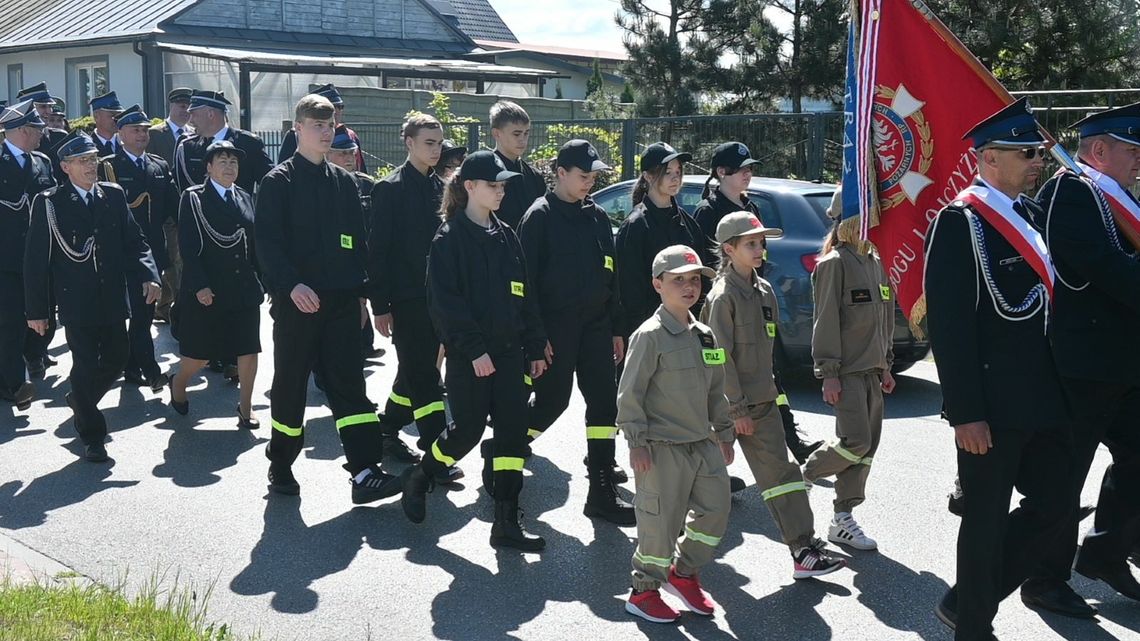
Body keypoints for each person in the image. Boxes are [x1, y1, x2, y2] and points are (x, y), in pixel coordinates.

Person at [924, 98, 1075, 641]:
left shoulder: (1031, 215)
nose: (1038, 160)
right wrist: (966, 413)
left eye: (1036, 151)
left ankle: (968, 599)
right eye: (1025, 152)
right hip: (991, 406)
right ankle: (973, 626)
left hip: (1044, 400)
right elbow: (950, 327)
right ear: (988, 158)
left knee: (1056, 505)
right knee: (985, 521)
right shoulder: (960, 222)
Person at [1018, 102, 1140, 616]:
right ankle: (1043, 579)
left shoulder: (1121, 197)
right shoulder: (1072, 192)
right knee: (1064, 476)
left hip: (1124, 365)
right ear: (1098, 150)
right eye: (1133, 150)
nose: (1139, 161)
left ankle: (1105, 552)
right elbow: (1106, 270)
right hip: (1082, 366)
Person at [400, 150, 549, 553]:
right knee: (465, 431)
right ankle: (421, 475)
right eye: (492, 185)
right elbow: (445, 305)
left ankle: (506, 520)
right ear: (469, 187)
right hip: (473, 358)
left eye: (502, 186)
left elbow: (525, 294)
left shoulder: (506, 234)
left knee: (512, 435)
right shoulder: (448, 240)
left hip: (509, 354)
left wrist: (534, 345)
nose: (500, 192)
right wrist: (473, 350)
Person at [255, 94, 398, 504]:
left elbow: (357, 245)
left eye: (329, 124)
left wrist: (363, 295)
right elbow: (266, 243)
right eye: (316, 125)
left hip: (339, 303)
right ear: (297, 129)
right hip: (297, 304)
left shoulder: (345, 183)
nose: (324, 131)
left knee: (349, 386)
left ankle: (365, 471)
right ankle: (280, 463)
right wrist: (290, 285)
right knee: (290, 386)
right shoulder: (278, 182)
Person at [701, 211, 846, 580]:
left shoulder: (764, 290)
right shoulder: (723, 297)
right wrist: (735, 410)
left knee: (784, 475)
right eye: (751, 243)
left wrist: (774, 398)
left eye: (761, 242)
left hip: (762, 401)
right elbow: (719, 358)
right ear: (729, 249)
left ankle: (804, 548)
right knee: (697, 485)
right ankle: (672, 565)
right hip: (731, 407)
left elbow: (765, 355)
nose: (759, 249)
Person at [515, 139, 634, 525]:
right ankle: (507, 447)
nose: (589, 183)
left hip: (596, 327)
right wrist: (535, 338)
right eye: (583, 176)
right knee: (552, 404)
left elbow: (611, 274)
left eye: (593, 177)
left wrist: (616, 327)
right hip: (555, 329)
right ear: (560, 173)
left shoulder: (596, 216)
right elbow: (525, 284)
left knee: (603, 405)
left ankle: (601, 491)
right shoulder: (539, 217)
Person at [24, 133, 162, 462]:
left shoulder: (112, 196)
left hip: (113, 298)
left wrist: (149, 274)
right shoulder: (50, 202)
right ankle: (93, 435)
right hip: (76, 301)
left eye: (93, 159)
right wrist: (37, 311)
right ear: (65, 167)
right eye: (82, 161)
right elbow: (35, 261)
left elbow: (136, 242)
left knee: (116, 358)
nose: (91, 166)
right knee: (85, 364)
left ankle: (81, 400)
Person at [618, 244, 734, 624]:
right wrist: (636, 442)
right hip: (661, 448)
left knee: (717, 510)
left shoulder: (704, 335)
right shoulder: (649, 336)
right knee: (659, 526)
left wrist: (725, 432)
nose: (689, 287)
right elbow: (630, 393)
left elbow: (716, 389)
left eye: (694, 280)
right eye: (678, 280)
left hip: (702, 444)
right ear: (657, 284)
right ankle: (643, 590)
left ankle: (682, 574)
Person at [693, 141, 822, 464]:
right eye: (742, 169)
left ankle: (791, 440)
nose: (749, 174)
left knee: (769, 373)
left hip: (754, 302)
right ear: (722, 173)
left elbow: (760, 262)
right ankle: (712, 458)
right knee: (723, 380)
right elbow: (703, 267)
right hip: (726, 307)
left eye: (751, 168)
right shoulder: (708, 212)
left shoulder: (751, 208)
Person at [802, 186, 895, 551]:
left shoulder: (874, 261)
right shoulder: (834, 264)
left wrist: (886, 366)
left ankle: (843, 517)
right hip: (848, 372)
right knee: (855, 441)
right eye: (867, 216)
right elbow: (825, 321)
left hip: (873, 371)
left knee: (867, 447)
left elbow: (884, 318)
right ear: (849, 220)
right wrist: (829, 373)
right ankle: (807, 471)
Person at [367, 114, 449, 471]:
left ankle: (386, 429)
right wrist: (380, 305)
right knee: (427, 377)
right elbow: (378, 252)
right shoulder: (390, 188)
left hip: (437, 299)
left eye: (439, 143)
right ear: (409, 143)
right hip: (405, 300)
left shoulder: (441, 187)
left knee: (414, 370)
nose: (436, 149)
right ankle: (437, 453)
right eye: (428, 143)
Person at [169, 141, 263, 428]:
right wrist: (199, 285)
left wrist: (264, 279)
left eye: (233, 162)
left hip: (243, 286)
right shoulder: (194, 197)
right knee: (197, 357)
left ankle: (245, 409)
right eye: (222, 161)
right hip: (209, 289)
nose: (229, 167)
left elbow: (253, 243)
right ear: (208, 168)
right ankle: (178, 383)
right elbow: (188, 244)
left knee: (248, 349)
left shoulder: (245, 196)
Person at [97, 105, 179, 392]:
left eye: (145, 130)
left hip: (151, 253)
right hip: (119, 254)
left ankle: (137, 368)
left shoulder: (158, 166)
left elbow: (172, 207)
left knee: (144, 316)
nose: (142, 134)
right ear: (120, 133)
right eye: (135, 130)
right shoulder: (107, 167)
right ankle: (145, 369)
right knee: (122, 317)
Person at [615, 142, 709, 334]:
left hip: (688, 325)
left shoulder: (689, 224)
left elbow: (702, 278)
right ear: (648, 176)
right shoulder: (636, 225)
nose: (675, 178)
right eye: (667, 172)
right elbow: (629, 289)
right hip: (650, 330)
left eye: (678, 171)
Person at [0, 100, 56, 411]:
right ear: (22, 130)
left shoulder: (43, 162)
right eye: (37, 129)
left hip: (39, 257)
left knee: (43, 314)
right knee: (8, 322)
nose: (42, 134)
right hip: (5, 259)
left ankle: (35, 355)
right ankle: (12, 385)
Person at [327, 125, 385, 361]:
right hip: (336, 262)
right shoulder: (324, 185)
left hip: (364, 257)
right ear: (328, 154)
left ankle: (361, 348)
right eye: (342, 154)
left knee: (361, 307)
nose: (349, 158)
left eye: (352, 153)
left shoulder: (366, 184)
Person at [149, 87, 195, 324]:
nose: (185, 110)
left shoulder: (194, 134)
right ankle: (173, 306)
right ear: (171, 106)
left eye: (188, 106)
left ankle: (168, 304)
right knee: (172, 257)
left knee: (181, 257)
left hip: (188, 206)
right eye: (180, 105)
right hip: (164, 207)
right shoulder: (156, 134)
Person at [174, 90, 273, 195]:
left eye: (194, 115)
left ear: (210, 114)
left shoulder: (248, 144)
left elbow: (270, 183)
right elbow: (178, 188)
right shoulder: (186, 145)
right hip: (197, 210)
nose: (191, 121)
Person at [277, 84, 365, 172]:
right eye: (332, 106)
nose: (337, 111)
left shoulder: (350, 135)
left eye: (340, 106)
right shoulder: (295, 135)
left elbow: (360, 168)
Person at [489, 101, 545, 229]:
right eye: (516, 134)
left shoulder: (534, 176)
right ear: (496, 134)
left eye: (526, 133)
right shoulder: (484, 173)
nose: (523, 140)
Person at [16, 83, 68, 180]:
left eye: (50, 106)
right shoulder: (15, 140)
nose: (48, 111)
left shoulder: (59, 137)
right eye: (43, 107)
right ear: (28, 109)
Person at [89, 91, 123, 157]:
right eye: (112, 115)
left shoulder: (127, 143)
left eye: (119, 116)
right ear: (96, 117)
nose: (117, 119)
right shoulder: (88, 146)